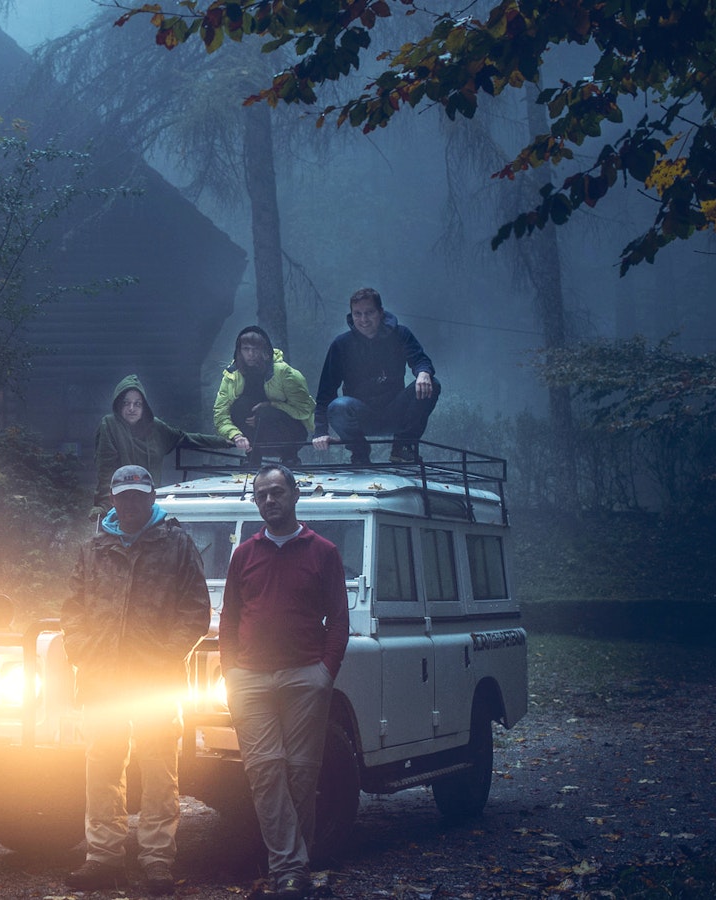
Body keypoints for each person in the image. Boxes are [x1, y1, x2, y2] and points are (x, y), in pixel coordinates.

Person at [62, 465, 212, 895]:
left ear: (151, 497)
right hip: (102, 678)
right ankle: (103, 857)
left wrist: (164, 660)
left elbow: (195, 612)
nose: (130, 503)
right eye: (123, 496)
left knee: (159, 769)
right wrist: (82, 653)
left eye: (138, 495)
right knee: (102, 767)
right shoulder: (93, 547)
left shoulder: (176, 543)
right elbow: (72, 608)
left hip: (155, 680)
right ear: (113, 499)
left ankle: (157, 860)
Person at [219, 464, 349, 899]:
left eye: (277, 492)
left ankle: (294, 866)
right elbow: (229, 620)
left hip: (304, 675)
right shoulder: (244, 554)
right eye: (261, 495)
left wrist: (324, 672)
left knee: (300, 773)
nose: (269, 501)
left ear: (295, 494)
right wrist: (231, 673)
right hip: (250, 678)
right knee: (264, 770)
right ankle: (290, 870)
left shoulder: (323, 552)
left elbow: (339, 620)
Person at [311, 287, 440, 464]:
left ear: (380, 312)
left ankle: (403, 447)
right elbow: (326, 392)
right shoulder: (341, 344)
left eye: (369, 312)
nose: (363, 319)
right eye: (357, 314)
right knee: (338, 406)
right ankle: (359, 453)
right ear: (351, 315)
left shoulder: (401, 334)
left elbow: (420, 360)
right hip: (361, 414)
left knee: (432, 383)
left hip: (395, 411)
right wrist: (320, 432)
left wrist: (423, 373)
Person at [94, 374, 239, 516]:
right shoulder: (110, 425)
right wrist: (103, 505)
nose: (132, 408)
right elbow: (106, 469)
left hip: (150, 503)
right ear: (118, 404)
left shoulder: (155, 427)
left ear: (144, 407)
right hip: (121, 505)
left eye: (137, 403)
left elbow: (184, 438)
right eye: (126, 403)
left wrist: (222, 442)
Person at [213, 327, 316, 468]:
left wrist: (271, 406)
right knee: (241, 405)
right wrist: (235, 435)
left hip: (289, 434)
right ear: (239, 350)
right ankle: (252, 456)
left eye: (255, 349)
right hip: (253, 438)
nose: (251, 354)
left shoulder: (285, 373)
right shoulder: (232, 376)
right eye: (246, 349)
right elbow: (220, 415)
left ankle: (290, 457)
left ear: (264, 350)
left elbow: (305, 410)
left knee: (265, 412)